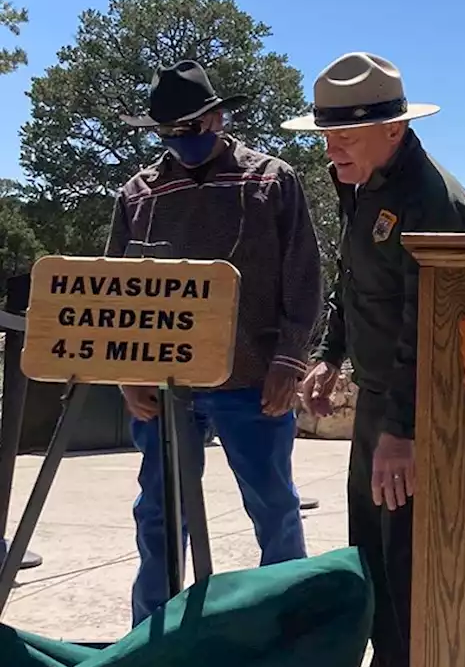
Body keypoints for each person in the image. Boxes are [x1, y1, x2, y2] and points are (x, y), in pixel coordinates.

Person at [293, 52, 465, 667]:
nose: (330, 147)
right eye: (326, 134)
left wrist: (402, 431)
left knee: (412, 571)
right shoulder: (362, 184)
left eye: (345, 135)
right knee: (377, 564)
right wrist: (331, 353)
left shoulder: (435, 201)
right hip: (380, 407)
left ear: (394, 128)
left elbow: (429, 326)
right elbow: (354, 282)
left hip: (419, 418)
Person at [108, 61, 322, 626]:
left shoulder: (271, 180)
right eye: (169, 134)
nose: (183, 142)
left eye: (192, 129)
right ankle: (149, 641)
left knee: (274, 507)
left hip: (252, 380)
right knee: (157, 514)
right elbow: (117, 290)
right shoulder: (137, 196)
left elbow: (303, 274)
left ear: (217, 117)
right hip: (163, 384)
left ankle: (288, 630)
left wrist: (289, 360)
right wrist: (126, 371)